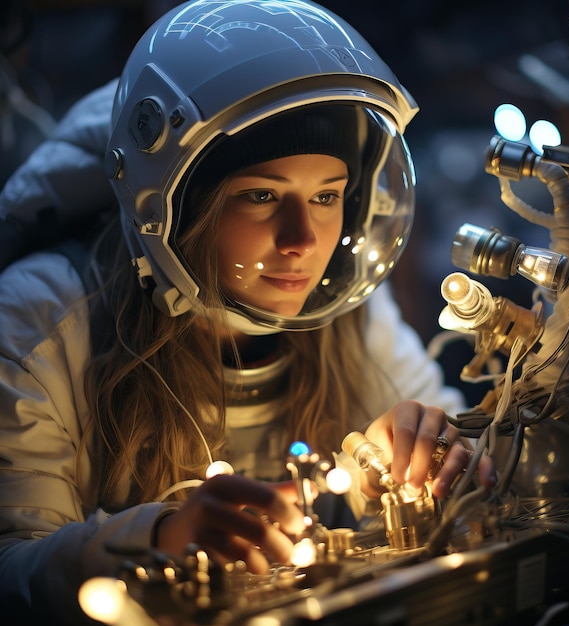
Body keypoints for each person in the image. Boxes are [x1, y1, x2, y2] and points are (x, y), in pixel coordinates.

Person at [0, 0, 495, 623]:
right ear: (174, 207)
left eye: (327, 196)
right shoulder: (43, 319)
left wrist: (420, 458)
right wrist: (159, 541)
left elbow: (462, 459)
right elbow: (11, 570)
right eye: (261, 196)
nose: (304, 241)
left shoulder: (345, 313)